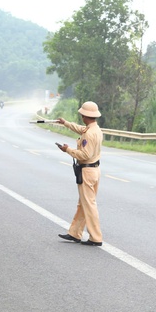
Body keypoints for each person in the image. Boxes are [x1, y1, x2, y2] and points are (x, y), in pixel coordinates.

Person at [55, 101, 104, 246]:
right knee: (84, 204)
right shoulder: (95, 129)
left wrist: (68, 150)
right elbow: (80, 129)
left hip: (87, 171)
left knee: (89, 205)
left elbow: (84, 155)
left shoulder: (89, 134)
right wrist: (66, 123)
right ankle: (75, 233)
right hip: (94, 170)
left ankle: (95, 237)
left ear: (84, 115)